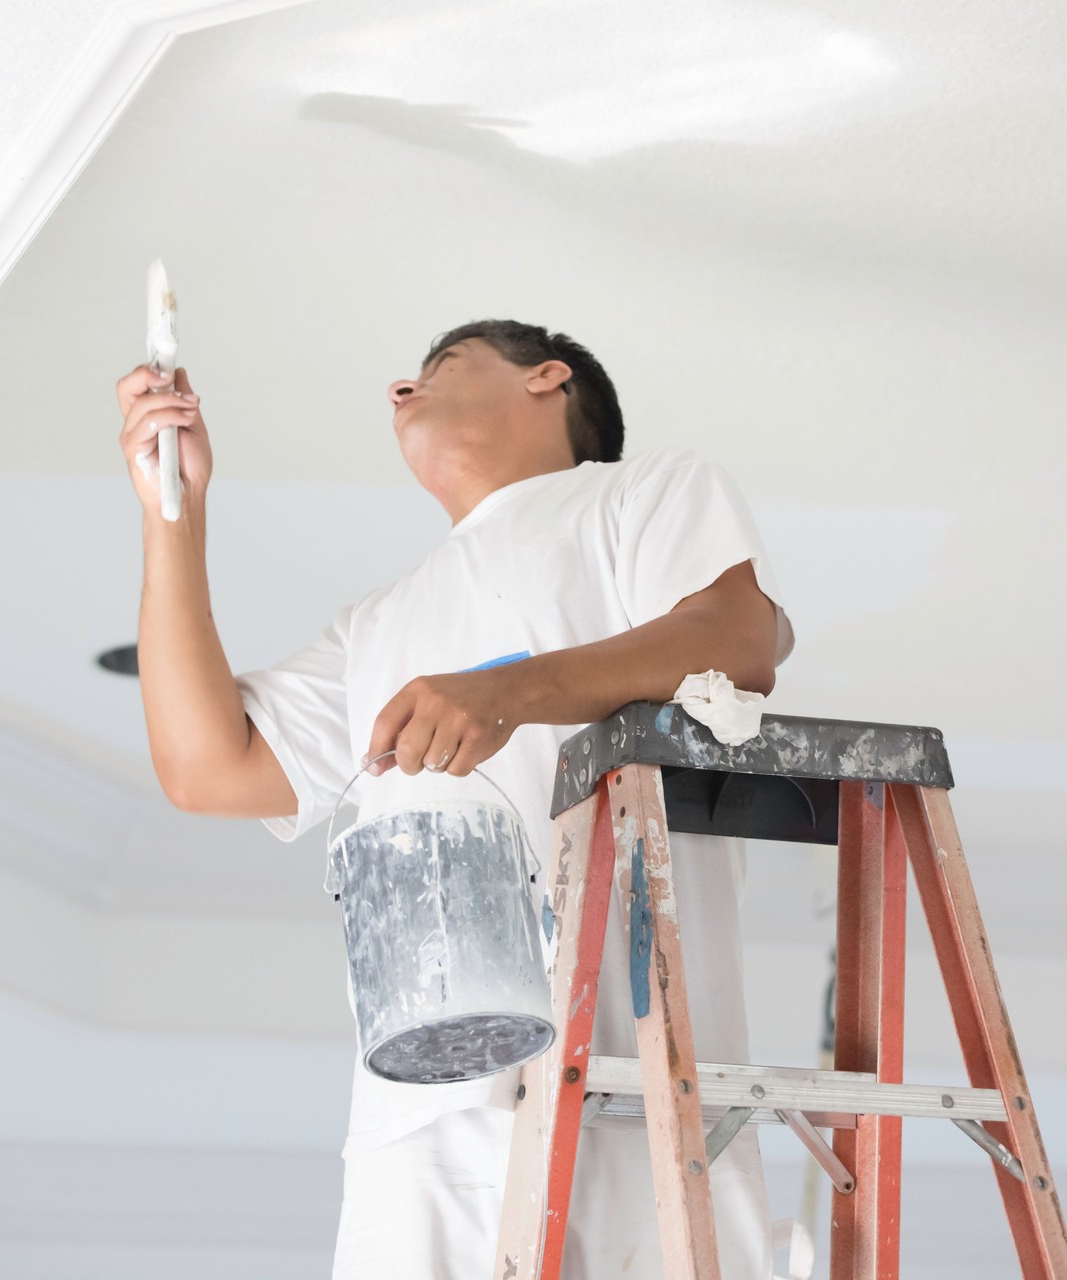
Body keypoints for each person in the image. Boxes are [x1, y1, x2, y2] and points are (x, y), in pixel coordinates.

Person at [114, 319, 795, 1279]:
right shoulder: (381, 623)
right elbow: (208, 766)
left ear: (547, 380)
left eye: (443, 366)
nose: (402, 390)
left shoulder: (636, 495)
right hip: (418, 1106)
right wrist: (170, 512)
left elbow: (736, 638)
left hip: (630, 1086)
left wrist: (508, 692)